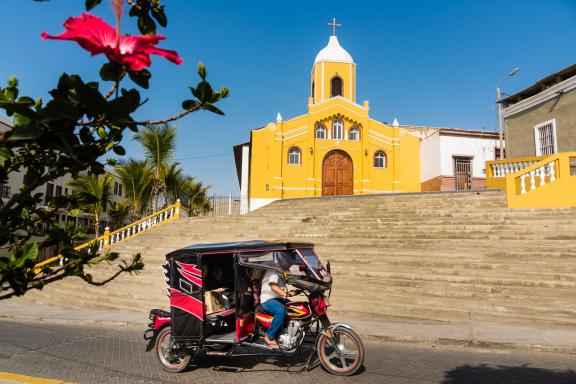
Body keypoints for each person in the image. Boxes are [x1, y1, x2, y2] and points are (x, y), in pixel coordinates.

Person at [260, 253, 298, 348]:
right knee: (281, 311)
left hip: (277, 298)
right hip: (267, 299)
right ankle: (269, 336)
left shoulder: (281, 271)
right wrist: (286, 294)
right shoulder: (274, 271)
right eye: (288, 262)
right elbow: (274, 287)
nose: (290, 264)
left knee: (295, 307)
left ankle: (288, 331)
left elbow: (292, 280)